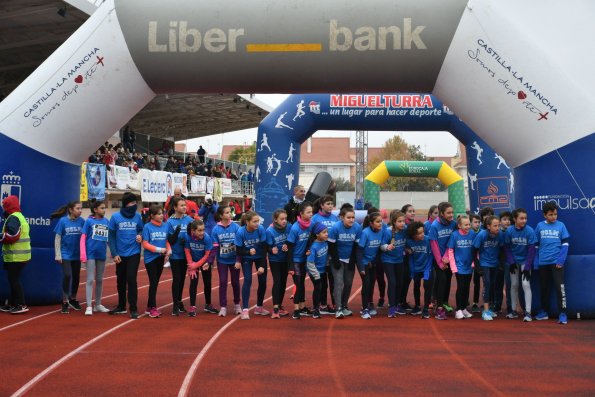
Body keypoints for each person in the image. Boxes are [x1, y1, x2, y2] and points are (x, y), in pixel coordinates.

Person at [108, 192, 143, 319]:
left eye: (135, 203)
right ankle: (121, 306)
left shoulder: (138, 216)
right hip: (120, 254)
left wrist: (141, 235)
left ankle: (133, 308)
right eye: (132, 203)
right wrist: (114, 253)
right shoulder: (115, 217)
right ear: (126, 203)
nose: (134, 205)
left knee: (131, 278)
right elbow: (111, 236)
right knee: (120, 280)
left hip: (134, 252)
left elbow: (140, 229)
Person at [534, 201, 570, 324]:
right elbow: (536, 245)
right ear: (545, 215)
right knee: (544, 288)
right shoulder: (539, 226)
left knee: (560, 288)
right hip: (543, 263)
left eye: (555, 214)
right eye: (550, 214)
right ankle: (544, 312)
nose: (553, 217)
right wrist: (536, 261)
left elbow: (565, 245)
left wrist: (561, 260)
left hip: (557, 263)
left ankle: (563, 313)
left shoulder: (561, 225)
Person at [328, 204, 361, 319]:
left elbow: (356, 245)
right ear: (342, 217)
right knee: (338, 283)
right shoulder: (335, 228)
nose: (351, 220)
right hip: (337, 259)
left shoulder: (357, 227)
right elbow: (331, 245)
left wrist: (352, 260)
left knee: (348, 283)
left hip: (349, 259)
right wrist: (336, 260)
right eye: (348, 217)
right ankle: (338, 308)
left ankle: (344, 306)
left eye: (353, 217)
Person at [52, 200, 85, 314]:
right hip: (65, 254)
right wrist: (58, 254)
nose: (80, 211)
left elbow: (85, 237)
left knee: (76, 277)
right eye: (78, 208)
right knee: (67, 275)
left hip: (77, 255)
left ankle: (73, 299)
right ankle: (65, 301)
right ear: (71, 210)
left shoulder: (82, 221)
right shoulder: (63, 221)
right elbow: (57, 238)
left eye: (81, 208)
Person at [504, 208, 537, 322]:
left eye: (525, 218)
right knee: (514, 285)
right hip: (513, 262)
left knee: (525, 284)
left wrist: (527, 267)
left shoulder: (530, 231)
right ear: (515, 219)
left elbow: (532, 250)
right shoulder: (509, 231)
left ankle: (528, 313)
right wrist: (511, 262)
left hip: (525, 262)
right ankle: (513, 311)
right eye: (521, 218)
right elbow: (507, 247)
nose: (524, 220)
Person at [0, 196, 31, 314]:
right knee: (13, 279)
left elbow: (12, 236)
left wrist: (1, 236)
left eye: (4, 206)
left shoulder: (13, 218)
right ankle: (14, 303)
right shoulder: (19, 216)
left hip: (16, 256)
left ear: (8, 207)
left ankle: (21, 304)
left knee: (14, 280)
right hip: (18, 255)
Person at [235, 211, 268, 320]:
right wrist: (248, 252)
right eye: (254, 222)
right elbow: (239, 250)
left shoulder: (261, 229)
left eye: (258, 221)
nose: (257, 223)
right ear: (247, 222)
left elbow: (264, 248)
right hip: (247, 259)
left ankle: (259, 307)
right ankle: (245, 309)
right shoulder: (241, 232)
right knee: (248, 280)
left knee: (263, 281)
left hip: (260, 257)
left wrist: (262, 265)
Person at [80, 200, 110, 315]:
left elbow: (107, 239)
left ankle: (97, 304)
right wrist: (83, 254)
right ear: (95, 209)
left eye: (104, 208)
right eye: (102, 208)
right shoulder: (88, 221)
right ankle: (88, 306)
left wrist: (113, 251)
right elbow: (83, 238)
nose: (104, 210)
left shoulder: (106, 221)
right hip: (90, 254)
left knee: (100, 280)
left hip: (101, 254)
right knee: (90, 279)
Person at [428, 202, 457, 320]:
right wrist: (440, 262)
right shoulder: (434, 226)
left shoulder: (454, 224)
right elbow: (433, 245)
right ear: (441, 213)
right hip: (437, 258)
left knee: (448, 279)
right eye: (448, 213)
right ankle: (439, 308)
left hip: (448, 257)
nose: (451, 215)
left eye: (452, 212)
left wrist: (447, 257)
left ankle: (444, 302)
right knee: (442, 279)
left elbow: (452, 241)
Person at [287, 201, 315, 319]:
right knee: (298, 284)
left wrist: (308, 248)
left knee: (302, 284)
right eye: (308, 212)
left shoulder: (311, 224)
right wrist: (291, 266)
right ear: (301, 213)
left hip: (304, 259)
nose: (311, 214)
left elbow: (311, 238)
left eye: (311, 212)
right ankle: (296, 310)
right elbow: (289, 247)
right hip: (295, 260)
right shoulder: (295, 228)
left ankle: (303, 307)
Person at [473, 215, 504, 321]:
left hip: (495, 263)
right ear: (488, 226)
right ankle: (485, 311)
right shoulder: (482, 235)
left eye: (498, 225)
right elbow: (474, 250)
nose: (497, 228)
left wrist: (501, 263)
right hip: (484, 263)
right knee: (487, 284)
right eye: (495, 226)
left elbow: (502, 249)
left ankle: (490, 308)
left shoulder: (500, 235)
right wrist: (477, 265)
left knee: (493, 284)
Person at [212, 205, 241, 317]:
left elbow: (239, 245)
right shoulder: (216, 229)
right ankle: (223, 306)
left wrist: (238, 260)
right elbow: (215, 247)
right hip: (222, 260)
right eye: (227, 212)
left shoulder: (235, 227)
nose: (230, 214)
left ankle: (237, 304)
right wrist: (211, 261)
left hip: (234, 260)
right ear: (221, 215)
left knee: (235, 282)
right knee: (223, 282)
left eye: (230, 212)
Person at [141, 205, 170, 318]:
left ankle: (149, 307)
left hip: (160, 258)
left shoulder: (165, 226)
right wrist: (159, 249)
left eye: (162, 213)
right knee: (153, 282)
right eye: (158, 214)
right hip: (150, 259)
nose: (161, 215)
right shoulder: (147, 227)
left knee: (155, 282)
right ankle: (153, 308)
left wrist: (169, 251)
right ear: (152, 216)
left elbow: (166, 240)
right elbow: (145, 243)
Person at [166, 197, 193, 316]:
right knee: (176, 279)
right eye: (181, 205)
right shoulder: (170, 222)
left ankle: (179, 301)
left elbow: (194, 234)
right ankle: (175, 304)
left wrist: (187, 239)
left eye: (184, 205)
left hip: (186, 255)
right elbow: (169, 240)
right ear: (175, 207)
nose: (184, 207)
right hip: (175, 255)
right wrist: (176, 235)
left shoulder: (189, 220)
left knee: (182, 279)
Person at [311, 195, 338, 314]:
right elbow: (311, 234)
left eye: (332, 204)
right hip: (319, 254)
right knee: (322, 283)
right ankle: (322, 305)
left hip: (331, 254)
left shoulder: (335, 218)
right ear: (321, 205)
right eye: (328, 204)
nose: (330, 206)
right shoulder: (315, 218)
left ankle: (334, 304)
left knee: (333, 281)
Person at [356, 212, 384, 319]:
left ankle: (369, 304)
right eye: (377, 222)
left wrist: (374, 261)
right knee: (366, 283)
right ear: (371, 223)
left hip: (372, 262)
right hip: (363, 262)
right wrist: (361, 267)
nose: (380, 223)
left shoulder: (381, 232)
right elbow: (359, 251)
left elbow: (380, 250)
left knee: (372, 282)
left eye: (381, 221)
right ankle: (364, 309)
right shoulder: (365, 233)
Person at [447, 215, 475, 320]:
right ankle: (458, 309)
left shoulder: (472, 234)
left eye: (469, 224)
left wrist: (473, 262)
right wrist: (453, 266)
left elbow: (475, 249)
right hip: (459, 266)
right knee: (461, 287)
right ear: (459, 225)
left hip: (469, 266)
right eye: (465, 224)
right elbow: (450, 251)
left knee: (467, 287)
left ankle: (464, 308)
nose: (468, 226)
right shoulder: (454, 235)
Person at [380, 210, 407, 317]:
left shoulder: (404, 230)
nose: (402, 223)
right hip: (388, 260)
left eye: (403, 221)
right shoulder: (387, 232)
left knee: (400, 283)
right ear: (394, 222)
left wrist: (407, 249)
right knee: (392, 282)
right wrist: (387, 247)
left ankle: (396, 304)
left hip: (399, 260)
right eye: (400, 221)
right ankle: (391, 307)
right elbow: (381, 245)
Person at [266, 209, 291, 318]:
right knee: (277, 281)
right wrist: (271, 249)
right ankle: (275, 308)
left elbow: (292, 241)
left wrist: (288, 245)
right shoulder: (270, 231)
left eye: (285, 218)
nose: (284, 221)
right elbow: (266, 246)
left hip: (286, 259)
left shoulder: (289, 227)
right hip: (275, 260)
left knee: (283, 283)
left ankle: (279, 306)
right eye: (282, 219)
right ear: (275, 220)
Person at [405, 221, 434, 319]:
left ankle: (425, 308)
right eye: (419, 233)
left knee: (427, 286)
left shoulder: (427, 240)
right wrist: (413, 270)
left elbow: (431, 256)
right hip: (416, 267)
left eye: (423, 232)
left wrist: (427, 270)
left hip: (427, 267)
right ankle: (417, 306)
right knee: (416, 285)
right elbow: (410, 257)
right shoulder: (409, 241)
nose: (422, 234)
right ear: (413, 235)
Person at [184, 219, 213, 317]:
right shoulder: (188, 237)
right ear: (193, 231)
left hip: (204, 262)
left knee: (207, 282)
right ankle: (192, 306)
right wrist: (191, 265)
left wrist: (196, 265)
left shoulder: (207, 238)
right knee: (193, 283)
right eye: (199, 230)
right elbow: (187, 251)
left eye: (203, 230)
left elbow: (207, 255)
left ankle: (208, 304)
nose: (202, 232)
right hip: (193, 262)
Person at [306, 222, 330, 319]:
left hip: (323, 270)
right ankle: (316, 309)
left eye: (327, 232)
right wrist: (316, 274)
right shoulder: (314, 246)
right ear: (317, 234)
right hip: (315, 272)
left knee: (325, 287)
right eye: (324, 232)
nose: (327, 234)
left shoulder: (325, 243)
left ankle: (323, 306)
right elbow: (310, 263)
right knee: (318, 288)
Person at [494, 211, 512, 316]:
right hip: (498, 263)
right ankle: (497, 306)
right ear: (500, 222)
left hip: (509, 263)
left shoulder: (513, 232)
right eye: (504, 219)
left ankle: (510, 307)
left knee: (509, 285)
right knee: (498, 285)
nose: (507, 222)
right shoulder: (498, 233)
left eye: (509, 219)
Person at [398, 204, 416, 310]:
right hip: (401, 257)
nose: (413, 213)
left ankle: (402, 301)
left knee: (408, 279)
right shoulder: (403, 226)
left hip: (411, 257)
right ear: (404, 213)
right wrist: (405, 248)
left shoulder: (413, 224)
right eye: (410, 211)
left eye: (413, 211)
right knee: (402, 280)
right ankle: (399, 302)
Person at [469, 213, 483, 313]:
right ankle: (464, 301)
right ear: (470, 223)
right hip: (468, 261)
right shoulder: (467, 232)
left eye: (479, 222)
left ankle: (475, 302)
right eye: (475, 222)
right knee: (466, 282)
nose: (477, 224)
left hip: (479, 261)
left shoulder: (482, 233)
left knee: (477, 282)